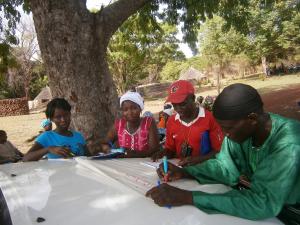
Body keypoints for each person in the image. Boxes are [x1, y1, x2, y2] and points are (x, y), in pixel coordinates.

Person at [146, 83, 300, 224]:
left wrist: (187, 197)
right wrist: (185, 172)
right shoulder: (241, 131)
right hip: (266, 206)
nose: (225, 135)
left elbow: (262, 201)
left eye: (228, 128)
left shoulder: (289, 144)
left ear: (252, 119)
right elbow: (224, 167)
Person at [152, 80, 223, 166]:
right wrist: (164, 153)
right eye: (174, 104)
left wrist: (199, 159)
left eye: (182, 104)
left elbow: (219, 151)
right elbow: (171, 149)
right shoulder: (172, 121)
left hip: (205, 169)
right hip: (179, 168)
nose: (178, 109)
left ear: (193, 98)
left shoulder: (209, 119)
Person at [23, 98, 90, 161]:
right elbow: (26, 158)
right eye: (58, 117)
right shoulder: (47, 136)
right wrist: (48, 149)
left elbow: (89, 158)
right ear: (51, 119)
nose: (63, 120)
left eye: (66, 115)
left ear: (69, 114)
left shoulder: (78, 136)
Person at [101, 91, 159, 157]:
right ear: (122, 112)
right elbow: (104, 143)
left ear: (140, 108)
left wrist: (133, 154)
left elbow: (154, 149)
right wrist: (107, 149)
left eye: (134, 108)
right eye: (125, 110)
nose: (130, 112)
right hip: (123, 164)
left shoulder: (149, 122)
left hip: (145, 164)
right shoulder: (119, 125)